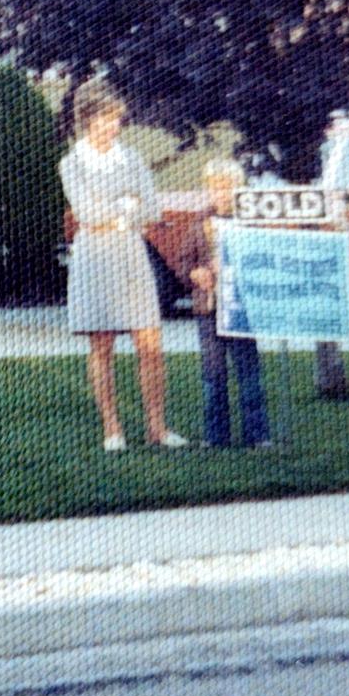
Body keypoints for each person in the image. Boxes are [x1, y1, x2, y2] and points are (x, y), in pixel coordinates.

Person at [58, 80, 185, 452]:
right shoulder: (72, 163)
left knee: (150, 344)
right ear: (87, 120)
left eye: (115, 119)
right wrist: (126, 206)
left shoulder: (131, 158)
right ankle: (112, 429)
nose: (112, 126)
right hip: (94, 259)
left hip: (131, 255)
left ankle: (157, 428)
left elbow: (151, 209)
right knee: (102, 346)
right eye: (104, 119)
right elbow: (86, 213)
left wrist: (118, 212)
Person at [173, 158, 272, 449]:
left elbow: (263, 259)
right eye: (216, 187)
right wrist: (195, 273)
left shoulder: (250, 220)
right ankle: (216, 436)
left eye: (228, 187)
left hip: (241, 309)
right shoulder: (199, 221)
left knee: (248, 372)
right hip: (209, 309)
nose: (222, 193)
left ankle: (257, 434)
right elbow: (182, 262)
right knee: (213, 373)